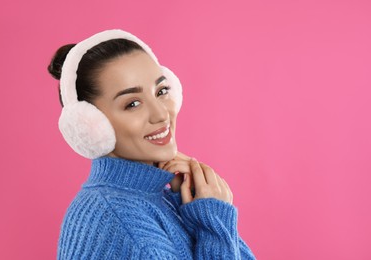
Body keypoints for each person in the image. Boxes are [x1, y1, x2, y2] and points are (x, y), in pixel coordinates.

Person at [48, 29, 255, 259]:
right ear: (91, 125)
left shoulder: (155, 198)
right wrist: (214, 223)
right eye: (133, 103)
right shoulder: (122, 223)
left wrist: (196, 213)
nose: (161, 114)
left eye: (161, 91)